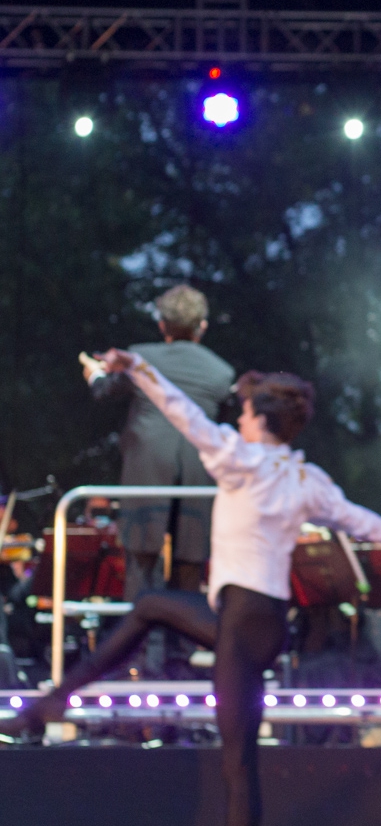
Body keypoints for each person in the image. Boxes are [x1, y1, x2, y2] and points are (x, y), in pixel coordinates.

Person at [5, 352, 381, 826]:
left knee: (237, 763)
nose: (238, 418)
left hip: (242, 622)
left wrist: (138, 368)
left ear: (259, 419)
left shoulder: (239, 459)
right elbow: (354, 518)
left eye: (244, 411)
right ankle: (52, 704)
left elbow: (181, 414)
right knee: (154, 612)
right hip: (265, 622)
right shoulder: (304, 478)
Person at [84, 284, 235, 675]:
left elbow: (104, 391)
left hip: (146, 476)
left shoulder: (142, 358)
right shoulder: (221, 371)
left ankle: (135, 659)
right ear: (201, 327)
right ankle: (180, 661)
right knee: (188, 567)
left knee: (141, 567)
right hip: (197, 476)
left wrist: (94, 374)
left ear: (162, 323)